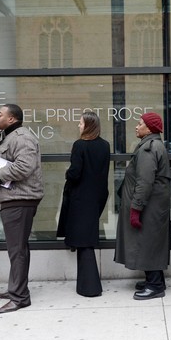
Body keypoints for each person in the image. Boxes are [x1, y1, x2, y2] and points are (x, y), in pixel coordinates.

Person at [0, 104, 44, 314]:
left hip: (19, 200)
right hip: (13, 199)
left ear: (12, 119)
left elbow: (25, 166)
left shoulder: (22, 137)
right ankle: (16, 288)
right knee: (18, 249)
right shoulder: (10, 136)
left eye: (0, 114)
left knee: (17, 250)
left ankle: (19, 297)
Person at [114, 112, 171, 300]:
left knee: (148, 242)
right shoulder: (152, 145)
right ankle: (155, 280)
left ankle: (155, 286)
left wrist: (136, 208)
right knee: (149, 241)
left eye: (140, 124)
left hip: (149, 206)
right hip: (153, 205)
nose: (136, 127)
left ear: (149, 128)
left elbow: (145, 182)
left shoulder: (149, 148)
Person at [57, 111, 110, 297]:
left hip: (80, 199)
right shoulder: (105, 145)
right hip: (96, 197)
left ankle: (89, 287)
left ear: (88, 125)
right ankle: (87, 285)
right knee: (86, 239)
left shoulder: (79, 145)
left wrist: (67, 173)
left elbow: (74, 173)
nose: (78, 126)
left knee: (84, 242)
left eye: (80, 123)